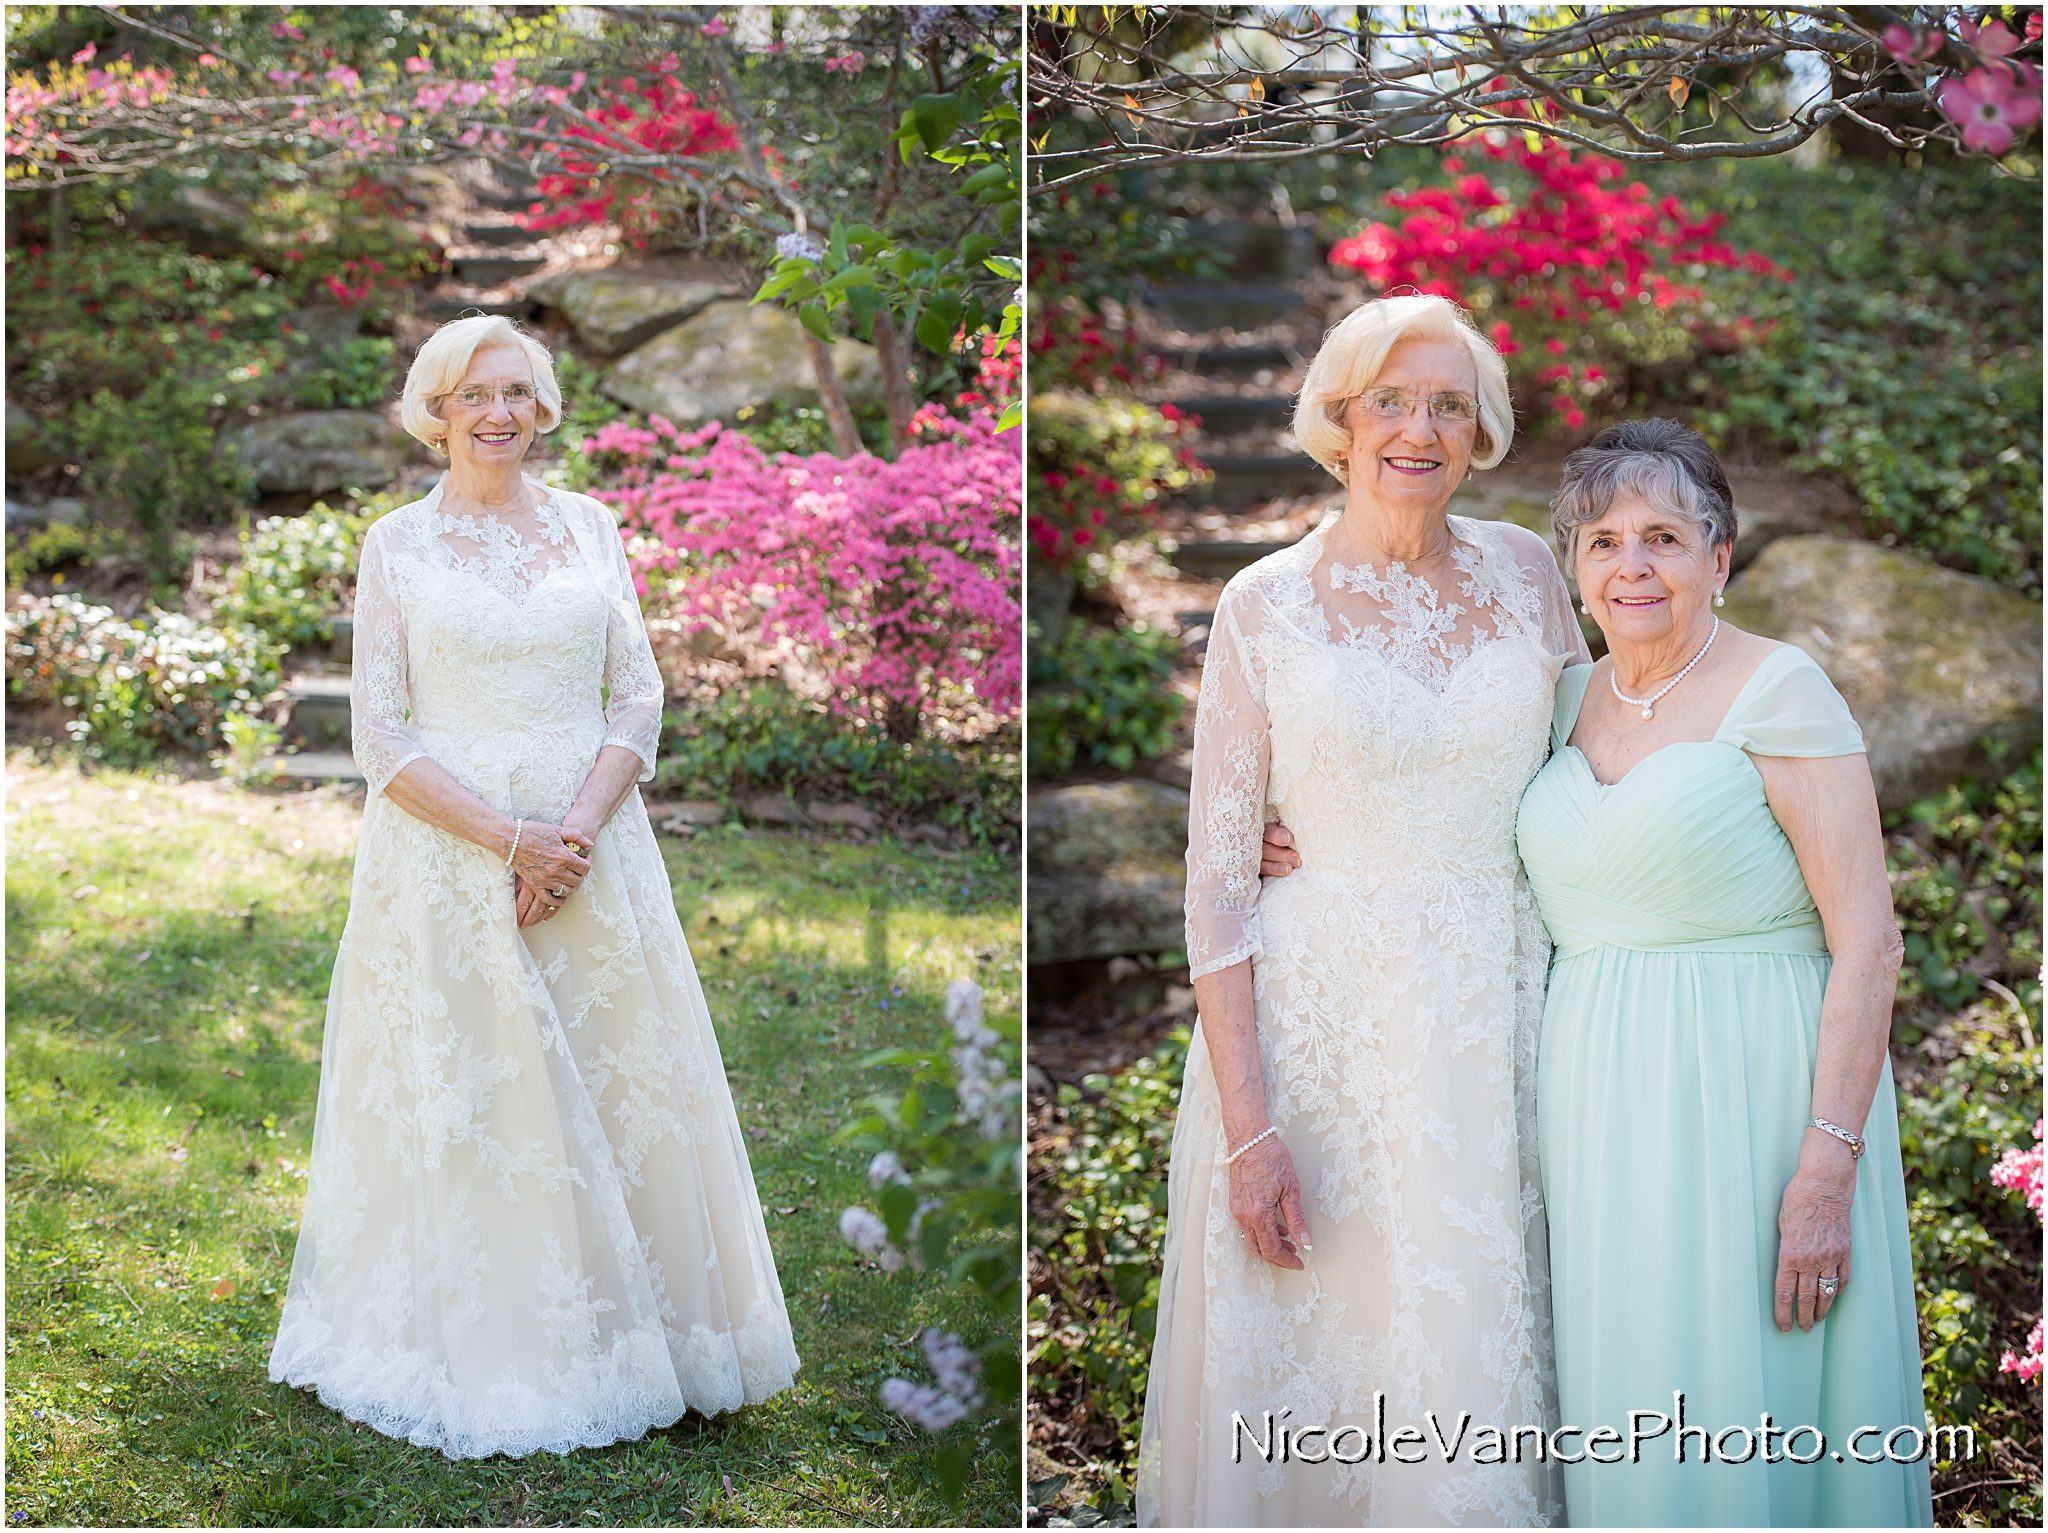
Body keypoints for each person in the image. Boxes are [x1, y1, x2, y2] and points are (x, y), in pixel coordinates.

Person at [268, 315, 799, 1459]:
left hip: (595, 851)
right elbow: (382, 734)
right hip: (448, 859)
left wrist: (572, 833)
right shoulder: (395, 546)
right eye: (471, 395)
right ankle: (506, 1342)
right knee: (477, 1096)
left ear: (542, 401)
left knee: (621, 1085)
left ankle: (657, 1334)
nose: (496, 413)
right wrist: (508, 841)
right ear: (436, 411)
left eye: (514, 389)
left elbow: (637, 694)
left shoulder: (592, 527)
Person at [1139, 293, 1589, 1527]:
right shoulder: (1262, 604)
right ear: (1336, 420)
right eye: (1389, 400)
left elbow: (1596, 768)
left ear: (1483, 428)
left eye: (1449, 404)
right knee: (1333, 1341)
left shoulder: (1531, 574)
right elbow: (1219, 883)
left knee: (1477, 1324)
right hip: (1323, 1016)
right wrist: (1247, 1126)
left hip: (1504, 1006)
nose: (1419, 429)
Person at [1513, 419, 1931, 1525]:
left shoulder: (1778, 690)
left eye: (1661, 536)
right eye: (1601, 541)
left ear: (1719, 558)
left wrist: (1825, 1168)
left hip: (1753, 1097)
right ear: (1574, 568)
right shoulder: (1560, 699)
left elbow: (1868, 940)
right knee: (1632, 1397)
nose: (1630, 565)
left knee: (1752, 1398)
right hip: (1594, 1101)